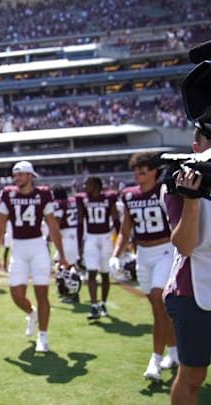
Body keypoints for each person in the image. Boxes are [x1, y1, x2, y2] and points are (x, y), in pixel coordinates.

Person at [110, 151, 176, 381]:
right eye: (136, 169)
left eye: (143, 169)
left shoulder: (164, 190)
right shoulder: (129, 195)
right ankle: (174, 351)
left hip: (166, 249)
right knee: (159, 308)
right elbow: (126, 230)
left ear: (154, 171)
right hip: (143, 254)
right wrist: (116, 255)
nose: (138, 173)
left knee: (159, 300)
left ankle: (155, 361)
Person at [0, 161, 67, 353]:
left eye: (21, 174)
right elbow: (0, 226)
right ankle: (32, 313)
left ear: (30, 176)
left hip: (37, 246)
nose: (17, 178)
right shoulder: (8, 194)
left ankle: (43, 336)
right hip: (18, 246)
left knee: (42, 293)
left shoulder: (42, 194)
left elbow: (52, 225)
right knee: (16, 294)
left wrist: (62, 255)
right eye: (15, 175)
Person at [164, 121, 211, 403]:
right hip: (194, 289)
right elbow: (184, 245)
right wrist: (191, 200)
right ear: (196, 149)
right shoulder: (177, 183)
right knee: (193, 376)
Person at [76, 175, 119, 320]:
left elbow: (115, 218)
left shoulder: (109, 197)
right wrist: (79, 244)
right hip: (91, 238)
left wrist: (119, 239)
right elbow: (80, 223)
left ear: (95, 185)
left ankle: (103, 303)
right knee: (92, 272)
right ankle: (94, 306)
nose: (84, 187)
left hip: (106, 237)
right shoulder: (83, 199)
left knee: (105, 273)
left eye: (87, 184)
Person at [51, 185, 80, 303]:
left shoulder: (58, 204)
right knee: (60, 263)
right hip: (72, 234)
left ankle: (73, 295)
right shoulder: (71, 202)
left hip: (66, 235)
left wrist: (50, 236)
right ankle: (64, 289)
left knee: (68, 266)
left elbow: (57, 222)